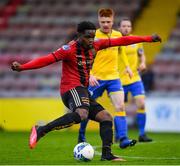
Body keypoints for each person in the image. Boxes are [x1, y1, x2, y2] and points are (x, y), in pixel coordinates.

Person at [11, 21, 161, 161]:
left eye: (93, 36)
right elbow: (46, 59)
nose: (91, 40)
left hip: (82, 90)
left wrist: (148, 39)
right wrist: (23, 67)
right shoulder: (68, 50)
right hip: (70, 88)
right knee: (82, 114)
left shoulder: (96, 45)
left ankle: (107, 154)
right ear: (79, 36)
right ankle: (41, 130)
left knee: (106, 117)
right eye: (88, 37)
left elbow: (122, 40)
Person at [78, 8, 137, 149]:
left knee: (120, 106)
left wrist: (127, 66)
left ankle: (123, 138)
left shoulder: (117, 35)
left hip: (113, 78)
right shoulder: (92, 36)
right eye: (103, 21)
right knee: (85, 109)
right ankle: (81, 135)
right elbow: (82, 57)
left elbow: (122, 51)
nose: (105, 24)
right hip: (95, 78)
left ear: (113, 20)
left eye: (108, 21)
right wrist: (90, 74)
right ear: (99, 20)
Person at [118, 18, 153, 142]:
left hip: (135, 78)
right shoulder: (115, 41)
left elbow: (141, 54)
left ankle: (142, 134)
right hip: (119, 80)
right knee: (120, 107)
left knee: (141, 104)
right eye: (124, 26)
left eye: (128, 26)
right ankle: (119, 135)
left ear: (131, 28)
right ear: (119, 28)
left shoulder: (136, 41)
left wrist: (143, 63)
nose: (126, 28)